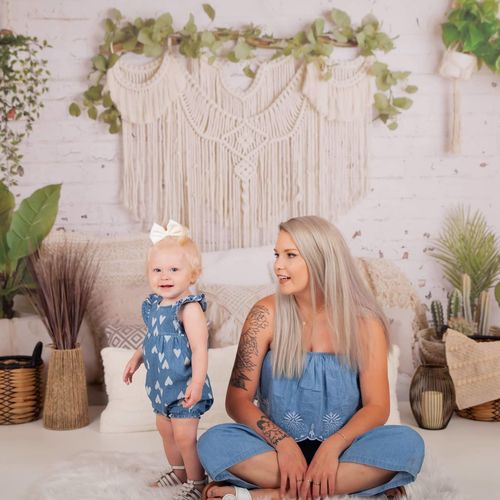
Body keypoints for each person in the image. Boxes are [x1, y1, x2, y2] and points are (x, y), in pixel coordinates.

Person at [198, 215, 424, 500]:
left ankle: (275, 495)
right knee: (212, 442)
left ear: (321, 261)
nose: (278, 265)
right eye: (277, 254)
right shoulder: (265, 314)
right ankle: (342, 488)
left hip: (345, 450)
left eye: (290, 255)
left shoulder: (365, 323)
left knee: (408, 444)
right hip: (274, 450)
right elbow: (237, 399)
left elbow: (377, 406)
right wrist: (284, 445)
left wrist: (332, 447)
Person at [123, 220, 213, 500]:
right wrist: (137, 358)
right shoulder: (154, 306)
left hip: (184, 384)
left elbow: (200, 348)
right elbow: (152, 338)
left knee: (185, 436)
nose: (165, 276)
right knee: (165, 429)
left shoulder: (189, 308)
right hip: (161, 385)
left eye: (174, 269)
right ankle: (179, 471)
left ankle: (198, 481)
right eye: (157, 270)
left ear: (193, 273)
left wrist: (197, 383)